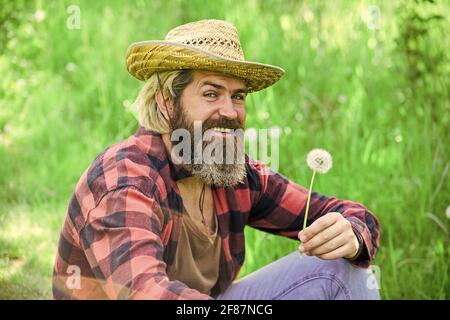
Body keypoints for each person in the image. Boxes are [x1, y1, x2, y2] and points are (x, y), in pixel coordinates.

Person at [52, 19, 381, 300]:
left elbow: (348, 213)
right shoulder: (126, 180)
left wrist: (351, 232)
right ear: (167, 101)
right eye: (211, 93)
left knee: (340, 266)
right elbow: (148, 293)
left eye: (237, 96)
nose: (229, 112)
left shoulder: (231, 172)